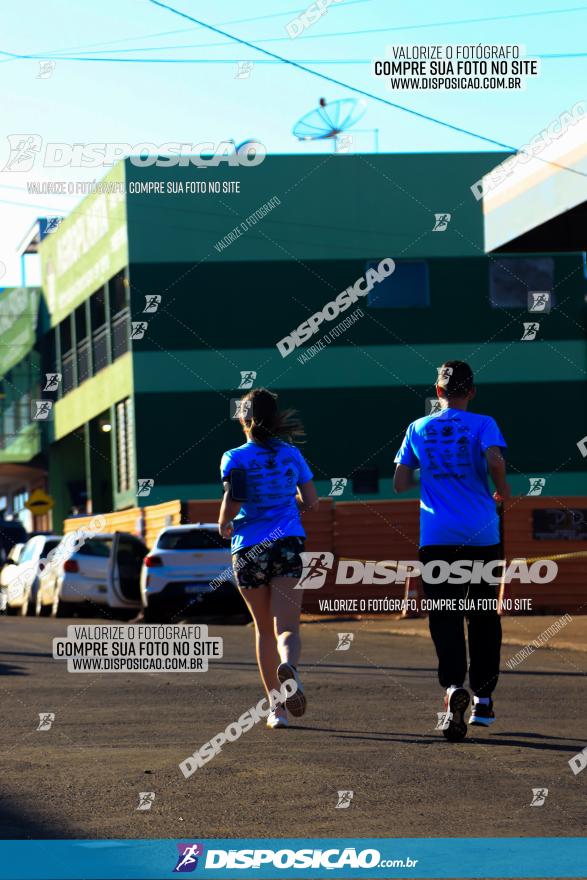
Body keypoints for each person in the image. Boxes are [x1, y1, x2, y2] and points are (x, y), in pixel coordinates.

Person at [394, 361, 510, 741]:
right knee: (482, 616)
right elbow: (494, 459)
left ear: (438, 391)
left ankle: (451, 689)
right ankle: (485, 699)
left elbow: (399, 482)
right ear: (471, 392)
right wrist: (501, 488)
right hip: (482, 536)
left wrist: (431, 473)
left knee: (444, 617)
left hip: (437, 537)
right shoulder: (483, 423)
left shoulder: (418, 427)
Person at [219, 388, 318, 729]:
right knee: (287, 627)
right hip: (288, 542)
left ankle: (278, 711)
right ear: (276, 419)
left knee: (263, 631)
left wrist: (223, 522)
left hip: (249, 548)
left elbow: (235, 498)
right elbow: (311, 499)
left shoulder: (234, 456)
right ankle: (290, 668)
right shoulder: (291, 454)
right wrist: (290, 507)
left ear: (244, 420)